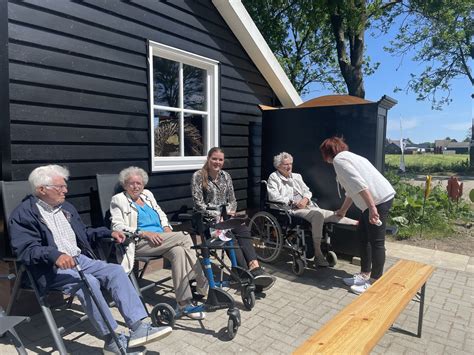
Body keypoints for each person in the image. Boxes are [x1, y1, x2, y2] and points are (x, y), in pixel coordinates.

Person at [9, 165, 172, 354]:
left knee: (115, 271)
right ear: (41, 189)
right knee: (89, 282)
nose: (66, 190)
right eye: (60, 187)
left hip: (80, 260)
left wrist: (110, 232)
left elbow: (84, 233)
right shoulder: (24, 214)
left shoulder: (65, 208)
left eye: (65, 186)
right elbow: (26, 249)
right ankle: (112, 340)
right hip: (50, 268)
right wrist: (55, 255)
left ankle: (138, 327)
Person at [110, 167, 208, 320]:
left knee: (179, 252)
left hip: (162, 238)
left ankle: (184, 303)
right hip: (140, 242)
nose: (136, 186)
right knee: (185, 236)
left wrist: (167, 227)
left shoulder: (148, 195)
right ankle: (203, 282)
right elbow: (117, 226)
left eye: (139, 183)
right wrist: (144, 233)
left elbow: (160, 213)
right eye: (131, 183)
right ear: (124, 185)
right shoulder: (118, 200)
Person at [191, 147, 275, 292]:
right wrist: (219, 213)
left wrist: (230, 211)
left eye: (220, 159)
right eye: (214, 159)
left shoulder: (226, 176)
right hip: (207, 220)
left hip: (227, 216)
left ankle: (254, 266)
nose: (217, 162)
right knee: (229, 236)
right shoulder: (198, 176)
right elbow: (198, 204)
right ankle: (246, 273)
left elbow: (233, 200)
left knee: (242, 228)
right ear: (208, 159)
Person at [320, 137, 395, 294]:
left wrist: (372, 208)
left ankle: (375, 280)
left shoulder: (339, 161)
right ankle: (364, 274)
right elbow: (351, 190)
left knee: (376, 242)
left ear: (327, 153)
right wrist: (343, 211)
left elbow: (360, 185)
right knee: (363, 238)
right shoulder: (350, 157)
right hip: (374, 201)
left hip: (377, 201)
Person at [267, 152, 358, 267]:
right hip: (289, 209)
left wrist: (305, 199)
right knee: (318, 215)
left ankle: (358, 224)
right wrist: (292, 202)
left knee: (330, 214)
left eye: (291, 163)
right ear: (278, 165)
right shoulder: (274, 177)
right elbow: (273, 196)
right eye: (286, 164)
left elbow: (307, 191)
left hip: (307, 206)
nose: (289, 166)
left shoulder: (297, 176)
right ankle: (318, 254)